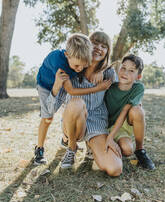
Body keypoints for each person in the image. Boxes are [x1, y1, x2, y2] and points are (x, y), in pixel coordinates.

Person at [47, 31, 122, 175]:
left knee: (115, 168)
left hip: (96, 122)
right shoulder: (71, 69)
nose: (99, 48)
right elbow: (51, 108)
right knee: (76, 103)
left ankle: (91, 145)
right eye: (95, 43)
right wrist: (56, 85)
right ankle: (71, 147)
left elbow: (121, 95)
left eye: (104, 46)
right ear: (86, 45)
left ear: (107, 52)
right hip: (73, 120)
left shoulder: (109, 73)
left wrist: (112, 136)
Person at [34, 33, 110, 165]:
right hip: (46, 85)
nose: (80, 69)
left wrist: (100, 70)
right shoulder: (62, 65)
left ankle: (66, 137)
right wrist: (98, 88)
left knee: (72, 108)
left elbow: (99, 62)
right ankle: (39, 149)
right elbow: (71, 91)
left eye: (83, 66)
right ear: (67, 56)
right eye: (77, 67)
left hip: (63, 83)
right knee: (47, 118)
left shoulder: (78, 59)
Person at [104, 54, 155, 170]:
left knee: (138, 111)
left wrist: (111, 137)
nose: (125, 73)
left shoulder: (138, 88)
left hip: (122, 126)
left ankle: (140, 151)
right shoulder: (109, 87)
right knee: (123, 149)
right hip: (106, 126)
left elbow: (125, 110)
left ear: (139, 76)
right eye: (123, 68)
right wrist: (108, 136)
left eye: (131, 70)